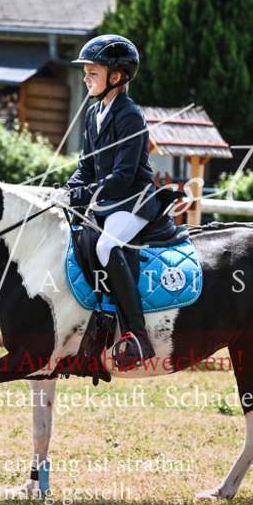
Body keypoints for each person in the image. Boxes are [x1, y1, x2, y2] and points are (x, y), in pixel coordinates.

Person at [65, 34, 172, 372]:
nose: (85, 78)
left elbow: (123, 177)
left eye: (92, 72)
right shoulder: (93, 112)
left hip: (133, 202)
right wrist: (66, 191)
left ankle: (138, 336)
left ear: (116, 76)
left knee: (106, 246)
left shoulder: (129, 115)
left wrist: (80, 195)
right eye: (85, 72)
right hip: (106, 202)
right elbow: (86, 167)